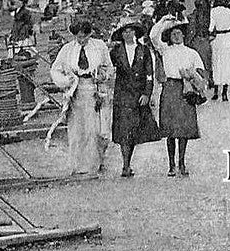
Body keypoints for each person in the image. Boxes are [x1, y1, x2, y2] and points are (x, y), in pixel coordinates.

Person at [50, 21, 114, 175]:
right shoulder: (68, 49)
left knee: (96, 129)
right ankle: (79, 166)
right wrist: (66, 81)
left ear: (90, 34)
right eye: (78, 38)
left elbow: (109, 67)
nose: (81, 40)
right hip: (76, 91)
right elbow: (55, 69)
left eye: (84, 37)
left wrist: (103, 75)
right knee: (78, 129)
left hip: (95, 90)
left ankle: (96, 163)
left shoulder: (99, 46)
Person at [150, 16, 205, 177]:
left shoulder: (192, 53)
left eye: (179, 33)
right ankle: (171, 164)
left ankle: (182, 162)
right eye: (173, 33)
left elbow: (201, 72)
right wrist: (163, 21)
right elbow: (153, 36)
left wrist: (193, 77)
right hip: (170, 88)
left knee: (184, 130)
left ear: (183, 35)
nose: (176, 36)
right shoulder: (165, 49)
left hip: (186, 89)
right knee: (170, 130)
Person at [110, 17, 158, 178]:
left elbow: (150, 75)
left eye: (130, 31)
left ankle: (128, 162)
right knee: (124, 131)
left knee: (134, 131)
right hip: (123, 95)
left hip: (138, 95)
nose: (127, 34)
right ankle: (125, 165)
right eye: (124, 31)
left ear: (135, 33)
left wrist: (147, 93)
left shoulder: (144, 50)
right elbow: (109, 70)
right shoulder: (116, 52)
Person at [208, 0, 230, 103]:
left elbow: (211, 28)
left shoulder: (213, 12)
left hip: (218, 39)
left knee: (217, 64)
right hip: (229, 39)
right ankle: (225, 93)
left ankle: (216, 91)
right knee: (227, 66)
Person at [186, 0, 214, 94]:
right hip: (204, 40)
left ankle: (204, 81)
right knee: (206, 62)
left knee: (201, 62)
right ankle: (207, 80)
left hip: (198, 41)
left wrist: (188, 43)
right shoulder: (208, 15)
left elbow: (191, 31)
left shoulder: (193, 16)